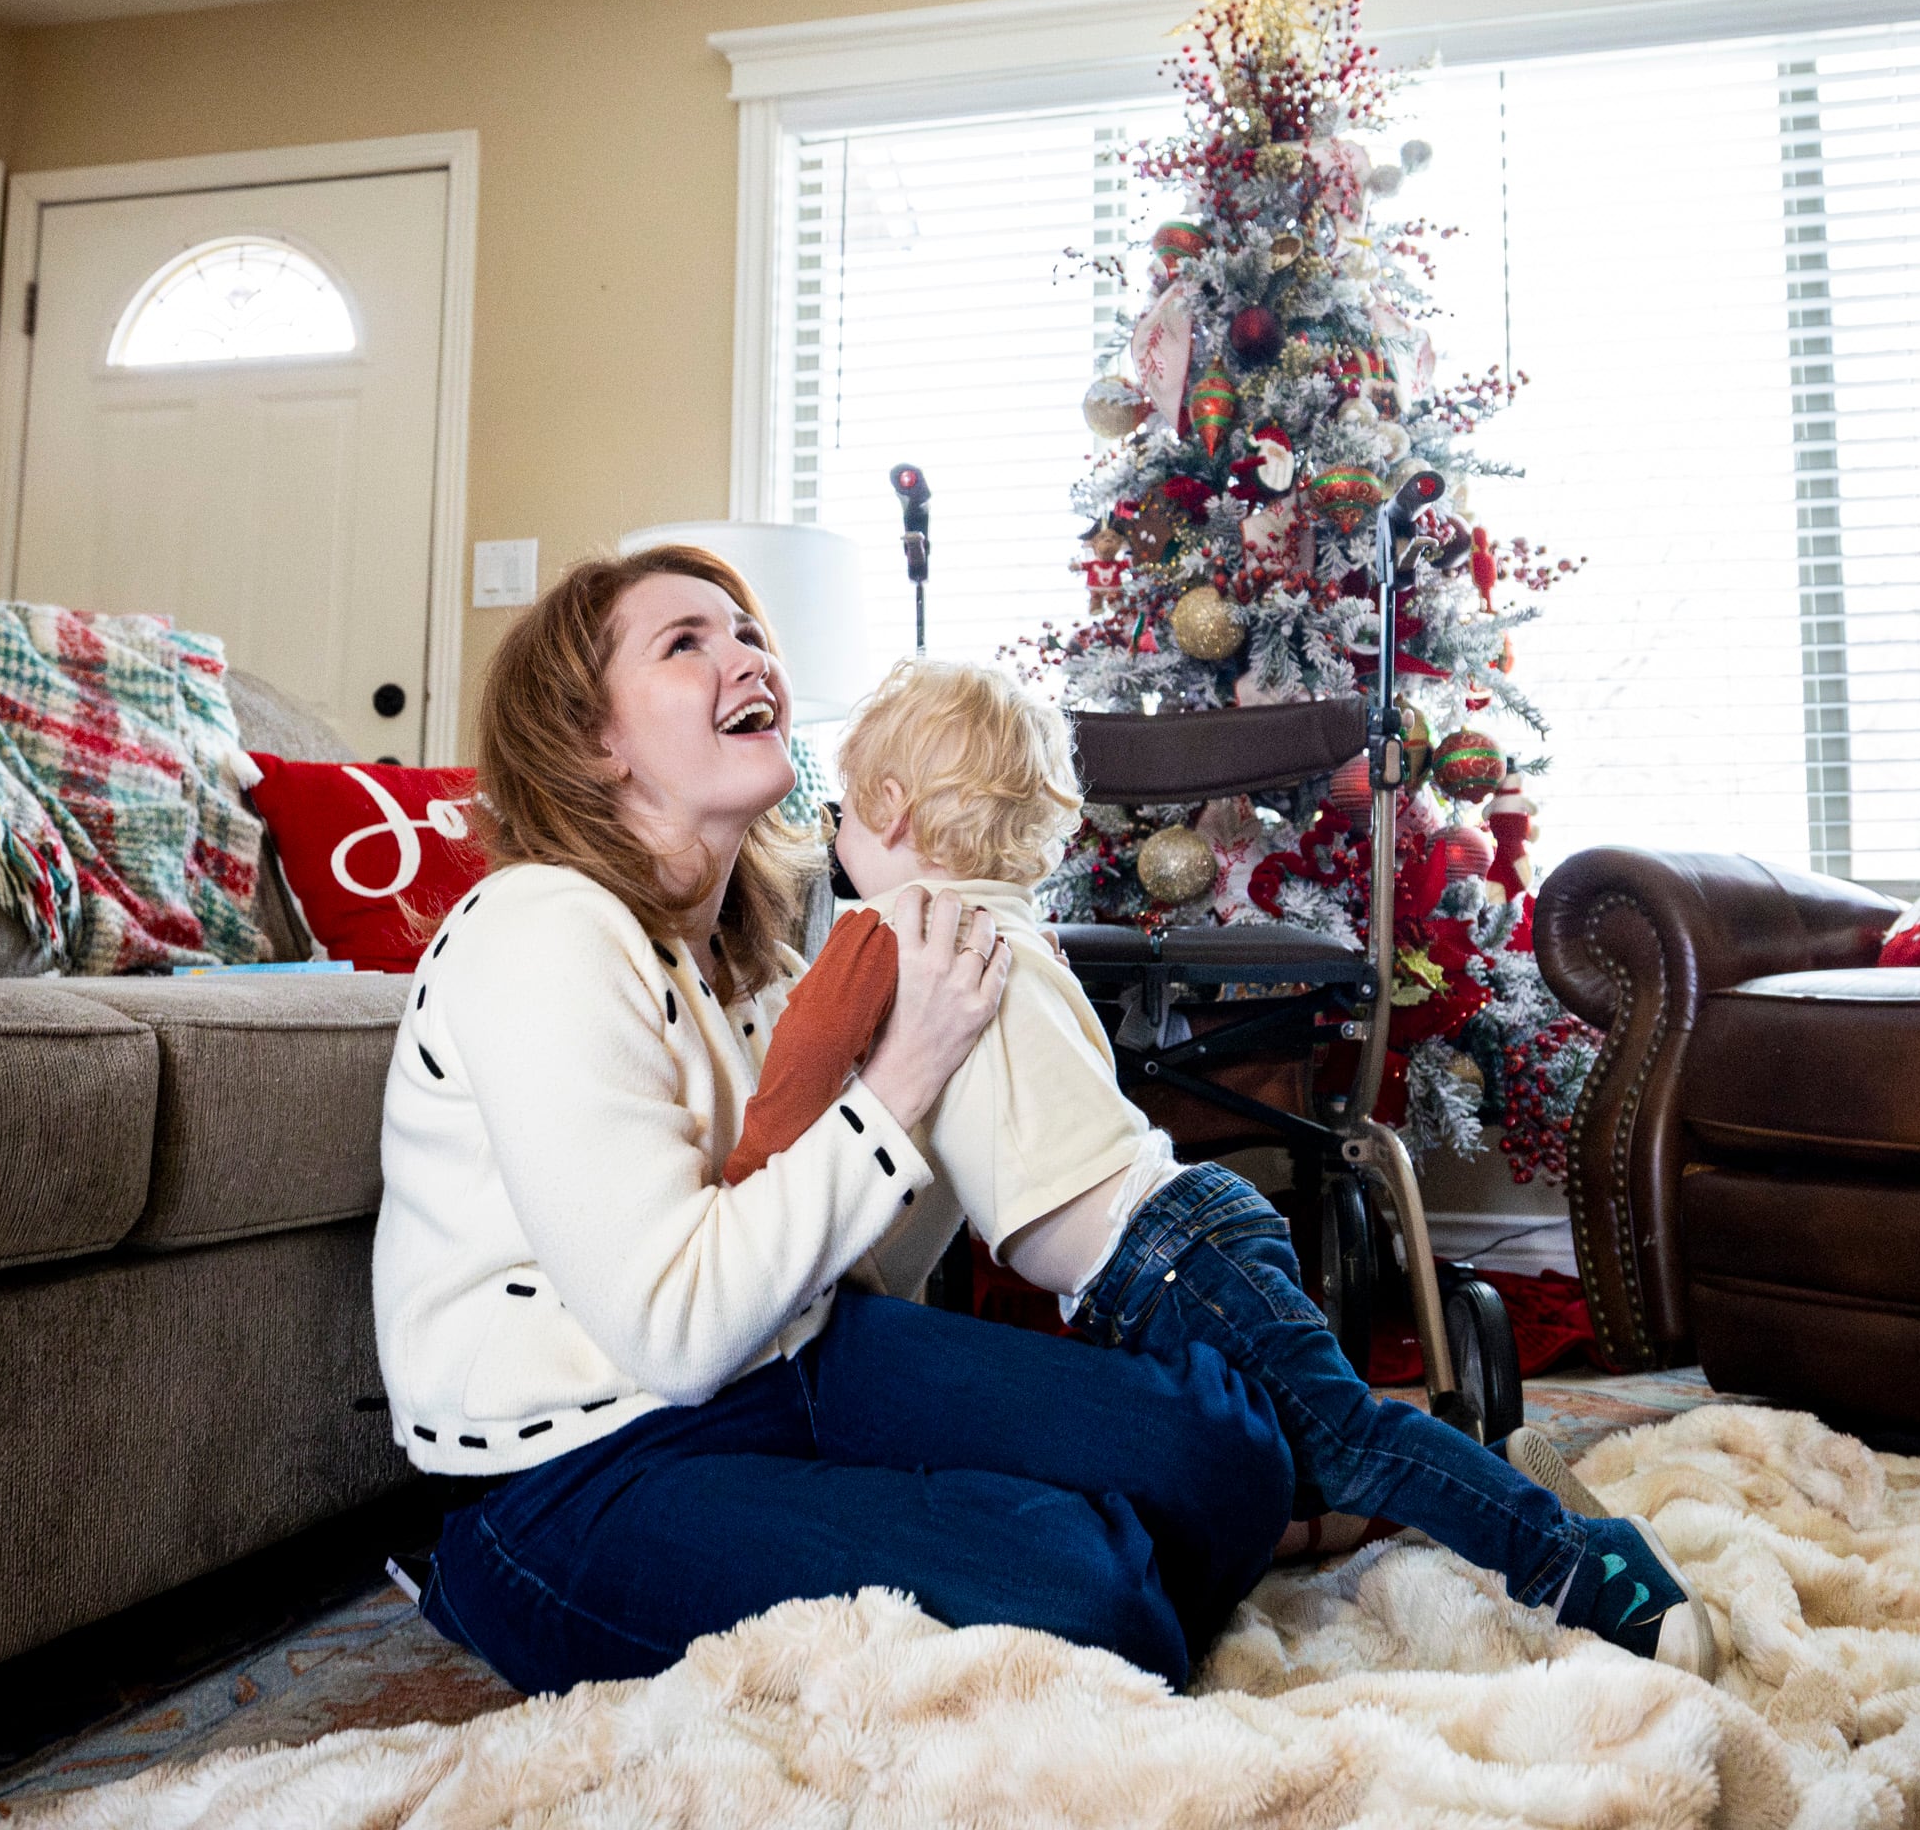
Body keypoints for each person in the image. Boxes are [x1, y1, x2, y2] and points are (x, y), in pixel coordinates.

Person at [371, 547, 1293, 1697]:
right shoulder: (539, 927)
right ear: (593, 736)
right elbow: (676, 1325)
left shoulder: (763, 965)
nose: (746, 653)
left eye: (747, 631)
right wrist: (901, 1081)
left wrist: (975, 1064)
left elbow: (849, 1268)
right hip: (576, 1467)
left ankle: (1027, 1523)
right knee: (1087, 1606)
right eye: (686, 641)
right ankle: (492, 1584)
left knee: (1233, 1455)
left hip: (791, 1354)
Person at [724, 658, 1719, 1677]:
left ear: (889, 806)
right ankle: (1451, 1497)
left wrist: (736, 1197)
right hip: (1160, 1253)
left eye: (843, 807)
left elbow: (795, 1076)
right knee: (1245, 1452)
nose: (835, 831)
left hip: (1164, 1255)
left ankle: (1592, 1568)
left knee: (1346, 1437)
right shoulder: (1017, 924)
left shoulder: (885, 934)